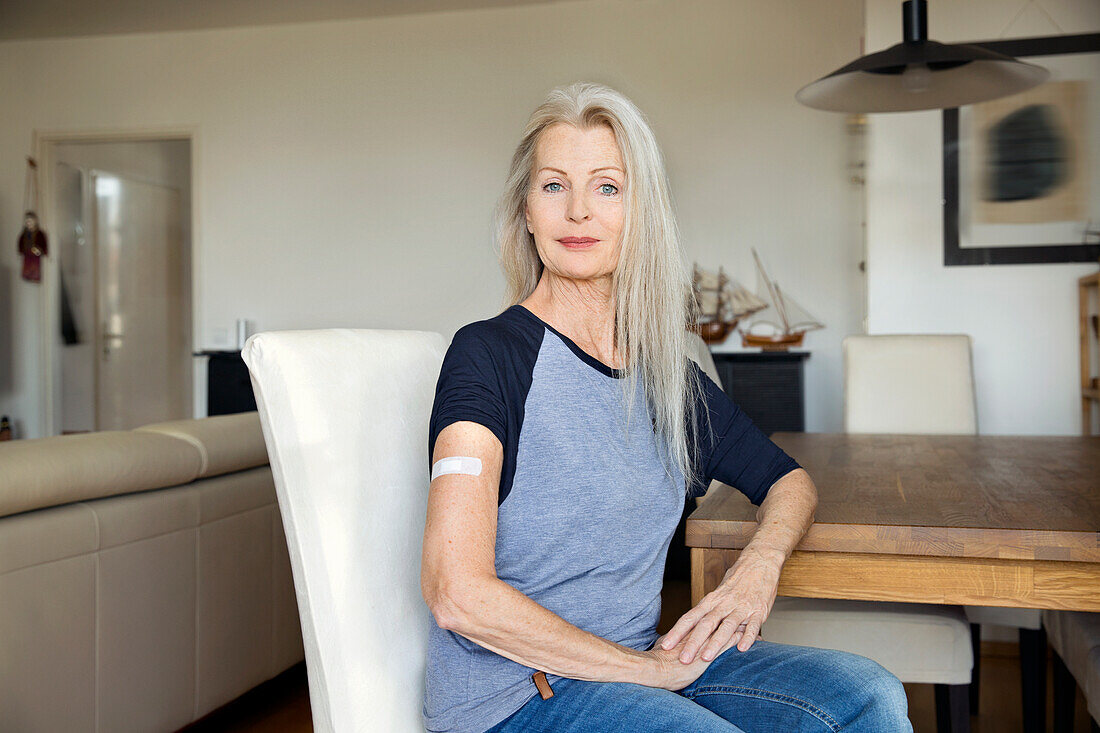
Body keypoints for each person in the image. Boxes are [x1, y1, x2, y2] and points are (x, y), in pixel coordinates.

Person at [420, 81, 913, 733]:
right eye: (553, 186)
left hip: (639, 663)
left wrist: (757, 568)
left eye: (606, 187)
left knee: (866, 694)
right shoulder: (488, 355)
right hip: (518, 694)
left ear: (640, 211)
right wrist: (648, 671)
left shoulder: (665, 381)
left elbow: (788, 481)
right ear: (527, 210)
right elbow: (457, 593)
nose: (577, 212)